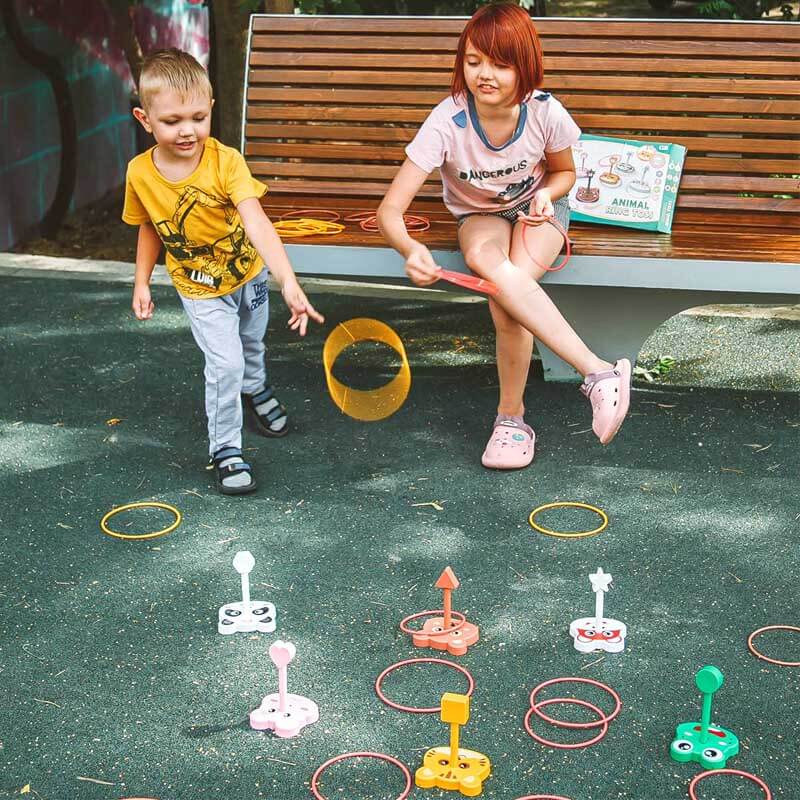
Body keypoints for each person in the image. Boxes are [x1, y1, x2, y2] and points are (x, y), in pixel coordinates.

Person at [377, 2, 630, 470]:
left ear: (525, 67)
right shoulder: (447, 121)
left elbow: (565, 174)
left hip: (538, 211)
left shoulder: (544, 112)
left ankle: (511, 420)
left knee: (505, 300)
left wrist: (546, 196)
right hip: (480, 216)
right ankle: (597, 373)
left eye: (499, 64)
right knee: (492, 269)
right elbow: (390, 210)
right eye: (473, 62)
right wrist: (410, 248)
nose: (483, 75)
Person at [122, 48, 323, 495]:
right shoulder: (140, 173)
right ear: (145, 119)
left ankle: (254, 389)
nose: (188, 130)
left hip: (248, 274)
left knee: (251, 341)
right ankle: (226, 449)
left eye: (197, 117)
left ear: (211, 109)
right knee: (224, 362)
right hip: (199, 288)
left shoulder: (225, 161)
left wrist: (287, 279)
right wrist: (141, 280)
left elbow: (256, 220)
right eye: (172, 121)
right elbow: (150, 228)